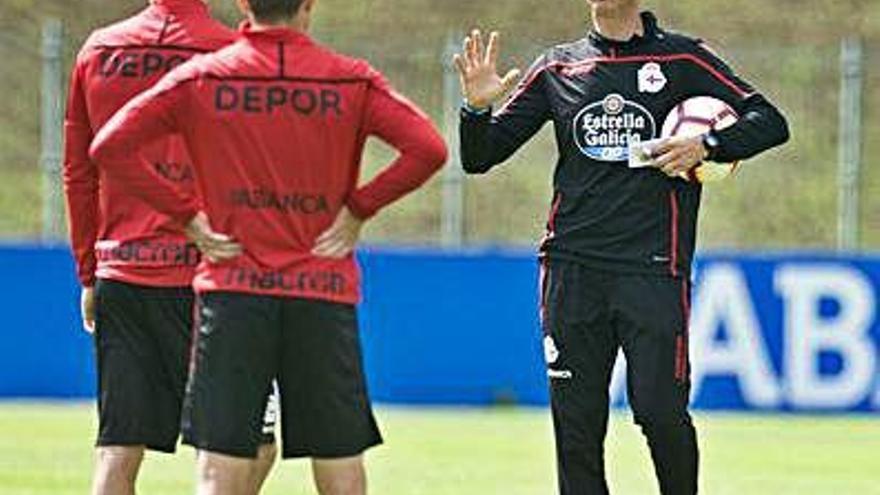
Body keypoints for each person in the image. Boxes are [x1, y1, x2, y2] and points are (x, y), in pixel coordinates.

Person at [87, 0, 448, 493]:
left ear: (243, 4)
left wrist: (187, 217)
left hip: (233, 290)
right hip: (320, 289)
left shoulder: (204, 78)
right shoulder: (348, 79)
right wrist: (360, 207)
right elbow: (428, 148)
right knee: (339, 462)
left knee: (221, 467)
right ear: (308, 5)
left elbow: (109, 146)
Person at [453, 0, 789, 494]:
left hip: (653, 268)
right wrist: (477, 109)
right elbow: (480, 157)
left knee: (660, 413)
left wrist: (708, 146)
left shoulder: (682, 60)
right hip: (571, 268)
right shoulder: (558, 67)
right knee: (577, 430)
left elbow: (770, 121)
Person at [62, 1, 278, 494]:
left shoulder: (98, 50)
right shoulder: (232, 52)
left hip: (122, 270)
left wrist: (88, 271)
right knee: (246, 446)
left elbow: (79, 171)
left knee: (117, 450)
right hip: (211, 279)